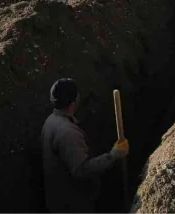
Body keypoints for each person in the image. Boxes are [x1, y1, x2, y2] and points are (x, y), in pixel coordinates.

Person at [41, 78, 129, 214]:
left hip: (58, 199)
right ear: (74, 101)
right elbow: (81, 169)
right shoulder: (68, 133)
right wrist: (113, 155)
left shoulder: (50, 121)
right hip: (73, 204)